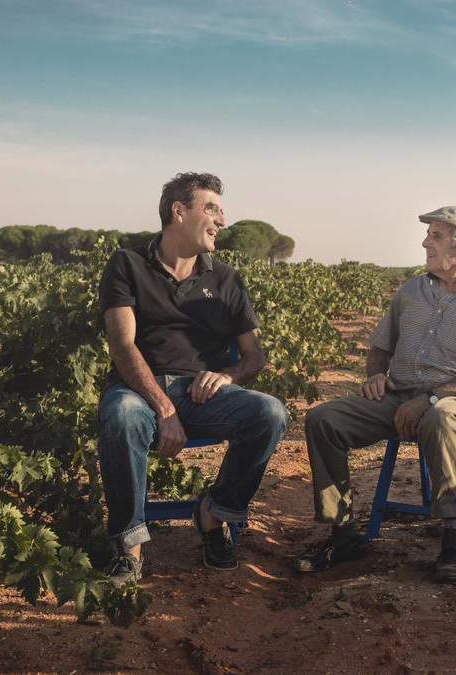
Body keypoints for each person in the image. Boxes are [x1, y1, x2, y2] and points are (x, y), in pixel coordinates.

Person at [296, 206, 456, 581]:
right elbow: (379, 349)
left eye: (435, 236)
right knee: (324, 419)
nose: (424, 242)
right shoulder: (410, 291)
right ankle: (343, 532)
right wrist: (374, 376)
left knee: (442, 417)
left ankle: (453, 538)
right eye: (429, 235)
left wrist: (432, 397)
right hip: (400, 396)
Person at [98, 172, 287, 586]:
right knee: (122, 417)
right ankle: (129, 547)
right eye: (212, 209)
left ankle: (213, 514)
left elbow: (254, 356)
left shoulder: (227, 278)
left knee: (270, 413)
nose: (222, 219)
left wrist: (226, 375)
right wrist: (164, 408)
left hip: (205, 396)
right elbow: (123, 346)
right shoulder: (126, 264)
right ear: (179, 212)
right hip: (139, 391)